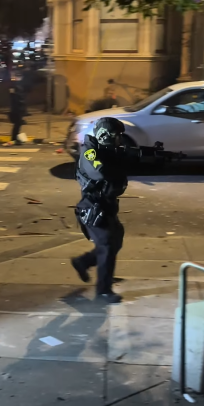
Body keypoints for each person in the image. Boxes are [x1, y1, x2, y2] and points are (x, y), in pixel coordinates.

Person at [69, 117, 129, 303]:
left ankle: (84, 263)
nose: (119, 140)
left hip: (105, 206)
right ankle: (103, 290)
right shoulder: (89, 153)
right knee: (107, 245)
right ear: (103, 135)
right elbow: (102, 172)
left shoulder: (103, 150)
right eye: (115, 136)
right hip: (92, 207)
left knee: (116, 238)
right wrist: (119, 160)